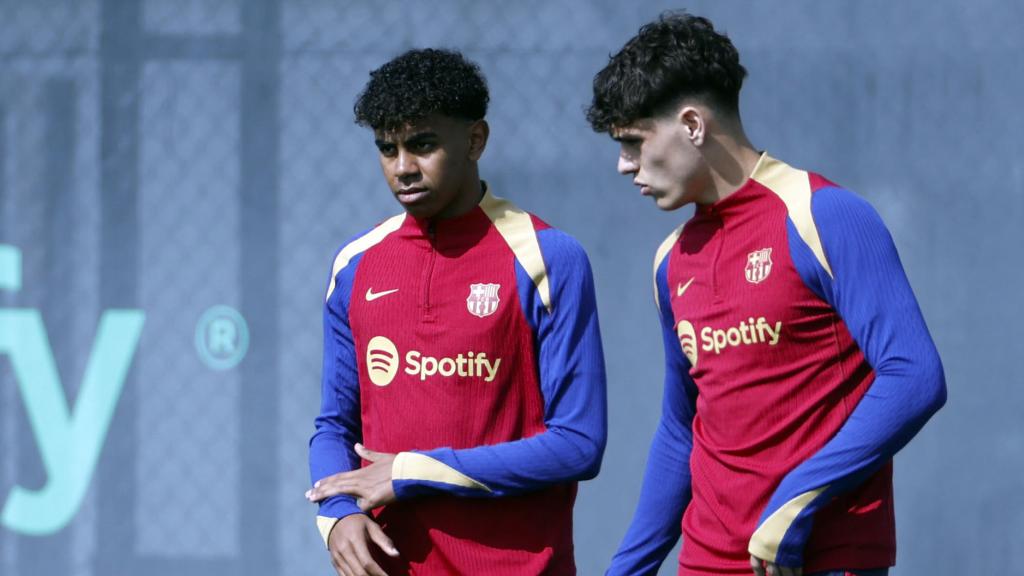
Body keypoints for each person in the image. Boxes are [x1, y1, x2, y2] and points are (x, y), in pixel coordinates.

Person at [586, 12, 946, 576]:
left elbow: (914, 376)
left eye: (633, 142)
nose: (623, 164)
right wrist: (627, 568)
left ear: (692, 124)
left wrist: (798, 500)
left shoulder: (822, 215)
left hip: (821, 559)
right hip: (705, 562)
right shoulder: (670, 261)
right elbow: (682, 429)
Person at [306, 48, 607, 576]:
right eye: (386, 149)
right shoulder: (355, 266)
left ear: (475, 140)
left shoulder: (549, 257)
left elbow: (578, 444)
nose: (402, 168)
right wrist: (337, 516)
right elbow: (334, 425)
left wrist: (414, 470)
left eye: (422, 145)